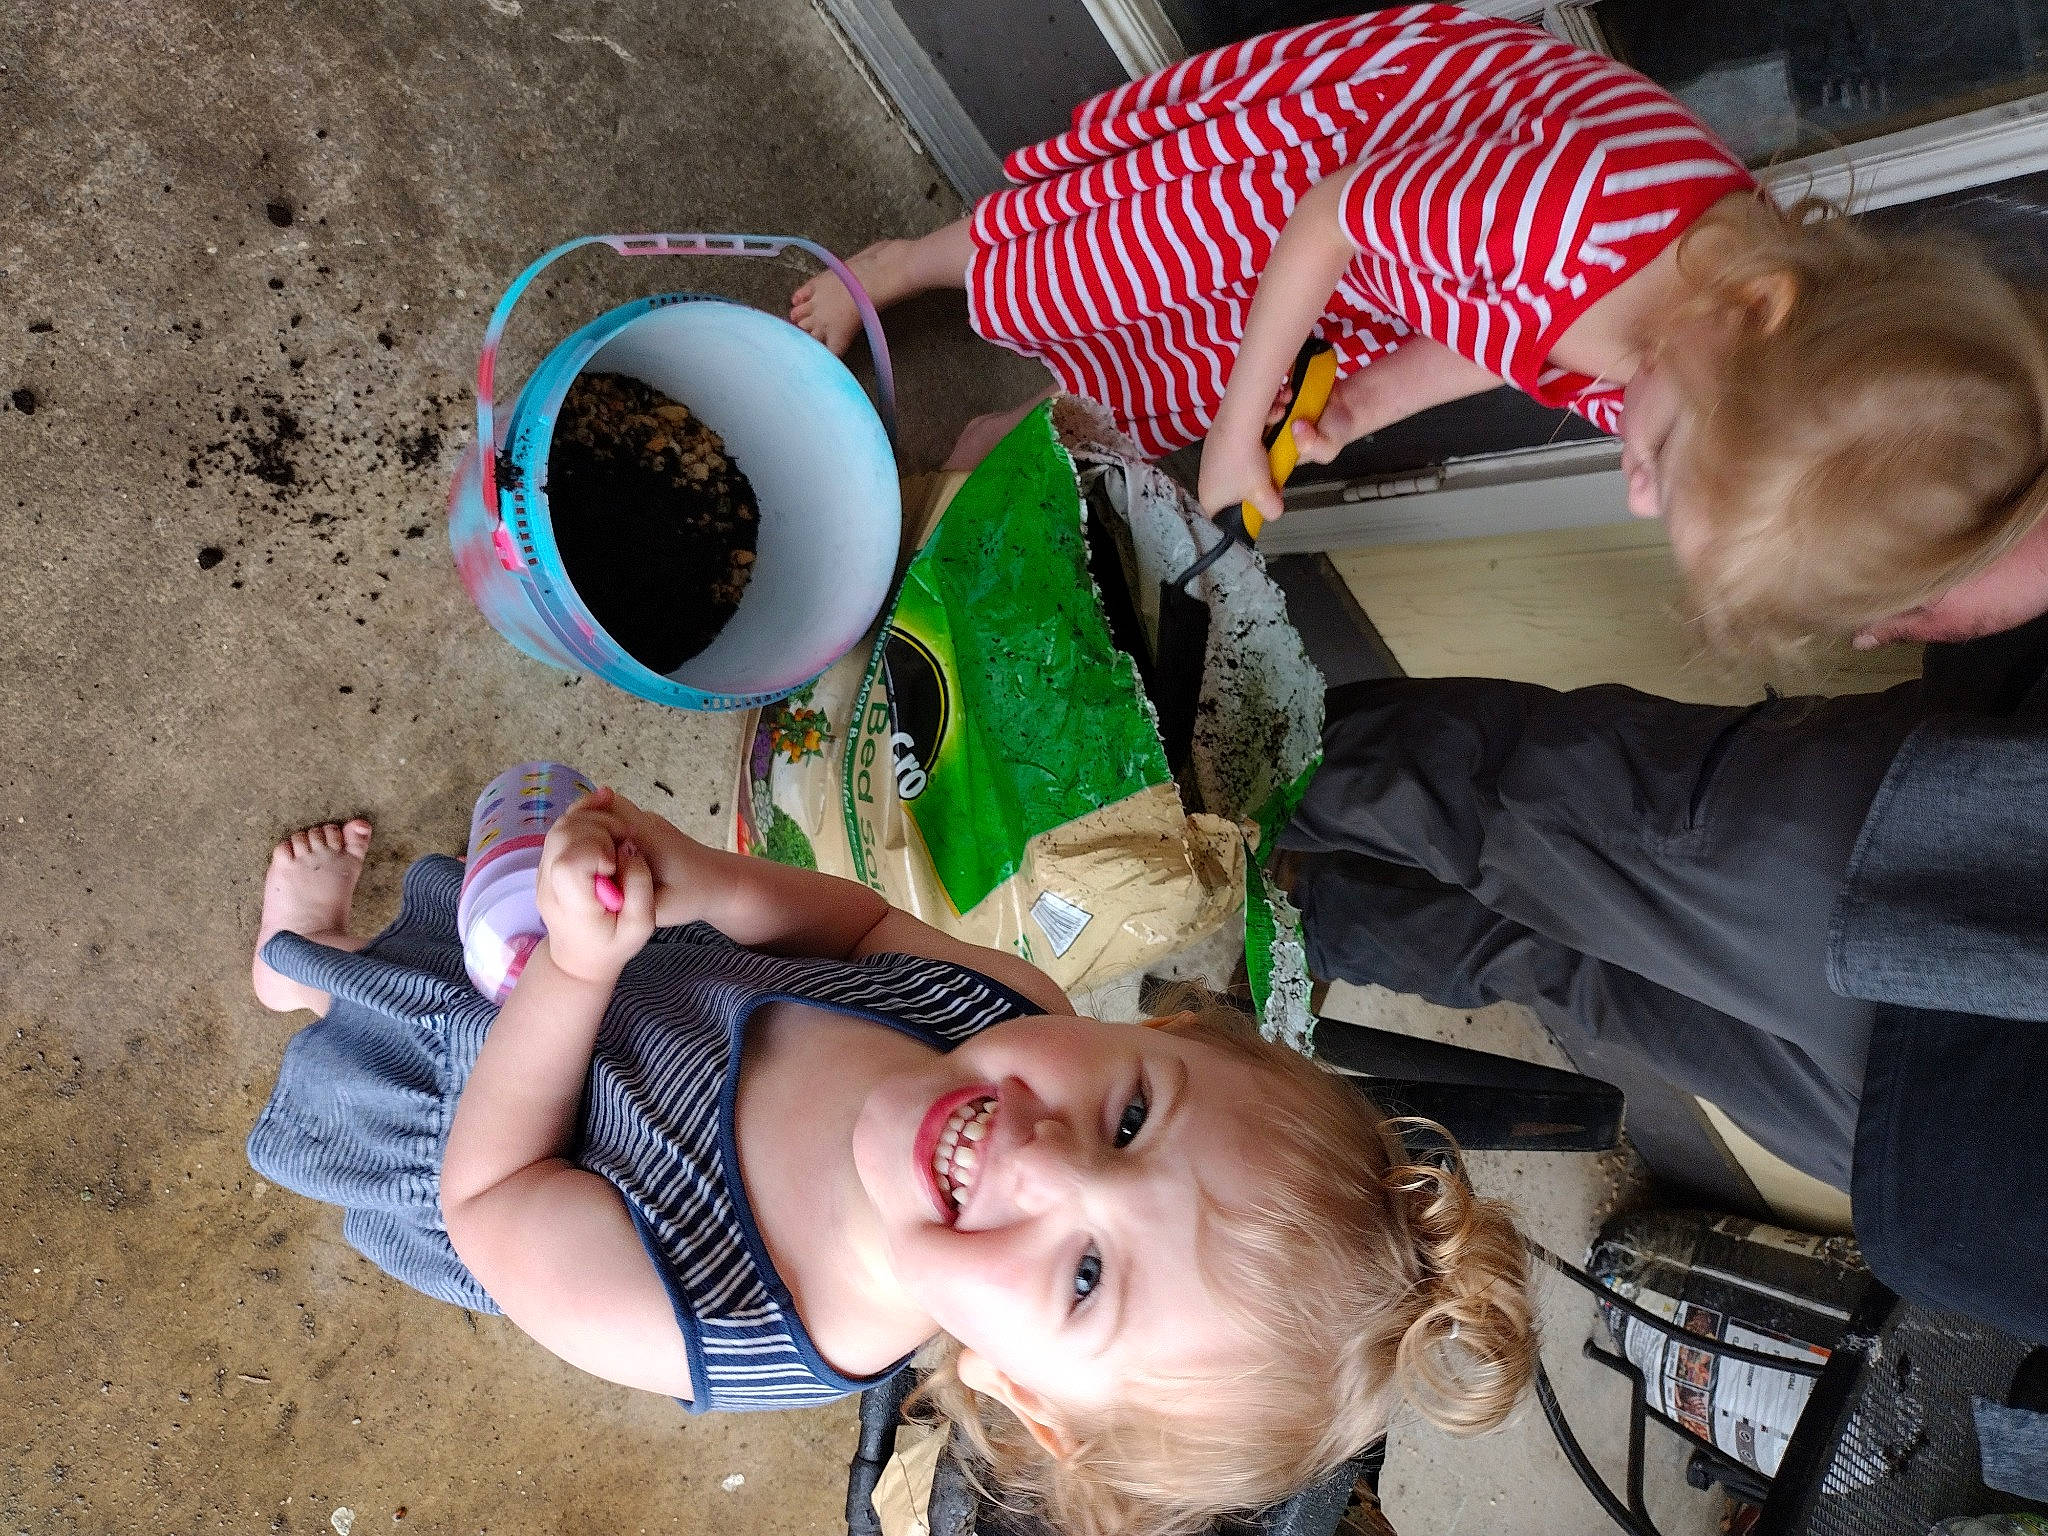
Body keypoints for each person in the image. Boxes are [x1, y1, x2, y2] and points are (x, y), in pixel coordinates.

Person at [247, 789, 1536, 1536]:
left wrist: (577, 976)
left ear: (1022, 1394)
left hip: (462, 1105)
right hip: (600, 963)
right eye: (1131, 1117)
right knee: (448, 935)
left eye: (1086, 1277)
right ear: (1162, 1033)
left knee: (361, 1017)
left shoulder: (736, 1324)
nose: (1040, 1161)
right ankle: (336, 959)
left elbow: (489, 1197)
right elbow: (857, 926)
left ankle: (302, 972)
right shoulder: (997, 1007)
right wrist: (703, 884)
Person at [792, 6, 2048, 655]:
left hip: (1402, 271)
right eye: (1661, 462)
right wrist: (1237, 429)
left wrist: (1375, 398)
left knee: (1175, 375)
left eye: (1664, 498)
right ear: (1753, 314)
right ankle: (905, 265)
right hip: (1314, 183)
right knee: (1079, 264)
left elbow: (1516, 335)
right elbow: (1331, 217)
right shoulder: (1578, 219)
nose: (1632, 487)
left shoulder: (1709, 346)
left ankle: (1012, 436)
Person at [1273, 611, 2048, 1344]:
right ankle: (1222, 784)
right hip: (1985, 865)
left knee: (1577, 961)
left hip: (1965, 1174)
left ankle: (1292, 922)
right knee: (1557, 809)